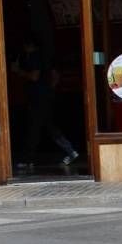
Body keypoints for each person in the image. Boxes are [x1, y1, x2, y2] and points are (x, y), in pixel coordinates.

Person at [11, 34, 78, 171]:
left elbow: (34, 76)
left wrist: (19, 71)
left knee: (34, 128)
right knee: (48, 126)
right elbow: (55, 75)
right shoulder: (45, 56)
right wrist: (50, 91)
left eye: (25, 46)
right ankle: (70, 151)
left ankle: (27, 160)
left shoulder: (35, 57)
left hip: (39, 97)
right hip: (45, 96)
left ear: (29, 45)